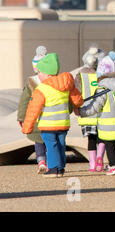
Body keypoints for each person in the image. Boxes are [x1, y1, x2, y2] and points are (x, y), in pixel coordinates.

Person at [22, 53, 84, 178]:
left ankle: (54, 169)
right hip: (63, 124)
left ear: (48, 74)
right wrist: (78, 105)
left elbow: (33, 110)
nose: (38, 75)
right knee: (60, 145)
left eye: (40, 72)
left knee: (51, 146)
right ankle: (60, 168)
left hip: (48, 125)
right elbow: (78, 100)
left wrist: (27, 127)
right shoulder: (67, 85)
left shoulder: (42, 89)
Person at [78, 52, 115, 176]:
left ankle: (113, 166)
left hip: (109, 124)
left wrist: (82, 112)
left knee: (110, 143)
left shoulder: (103, 87)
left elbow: (95, 107)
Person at [74, 46, 106, 172]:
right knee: (102, 137)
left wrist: (76, 108)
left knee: (91, 139)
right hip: (101, 112)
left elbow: (77, 93)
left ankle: (92, 164)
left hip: (86, 112)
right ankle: (100, 158)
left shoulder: (80, 76)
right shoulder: (102, 75)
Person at [17, 46, 48, 174]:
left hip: (36, 118)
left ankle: (41, 161)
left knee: (38, 140)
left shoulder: (31, 82)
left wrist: (21, 117)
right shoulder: (52, 81)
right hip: (51, 116)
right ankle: (53, 162)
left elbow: (24, 101)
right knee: (51, 141)